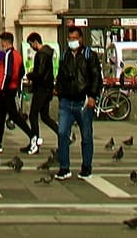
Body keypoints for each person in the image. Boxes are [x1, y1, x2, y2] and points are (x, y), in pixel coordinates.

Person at [54, 24, 103, 180]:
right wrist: (60, 93)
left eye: (74, 38)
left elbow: (96, 77)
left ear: (81, 39)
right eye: (69, 38)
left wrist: (93, 96)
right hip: (67, 101)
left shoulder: (90, 55)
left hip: (83, 101)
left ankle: (86, 166)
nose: (72, 41)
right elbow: (60, 76)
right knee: (62, 133)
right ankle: (64, 167)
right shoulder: (64, 55)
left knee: (86, 135)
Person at [0, 31, 36, 155]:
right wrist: (16, 86)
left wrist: (2, 88)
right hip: (11, 89)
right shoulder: (18, 55)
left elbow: (8, 73)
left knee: (13, 116)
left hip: (6, 90)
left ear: (6, 42)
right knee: (0, 116)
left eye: (2, 41)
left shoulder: (8, 54)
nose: (2, 43)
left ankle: (33, 137)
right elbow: (21, 71)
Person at [26, 33, 59, 149]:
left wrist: (30, 75)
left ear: (35, 42)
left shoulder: (41, 54)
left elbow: (39, 73)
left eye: (31, 44)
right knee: (45, 116)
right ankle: (64, 134)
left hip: (41, 89)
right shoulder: (48, 53)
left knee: (33, 115)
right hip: (47, 88)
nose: (31, 47)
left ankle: (34, 142)